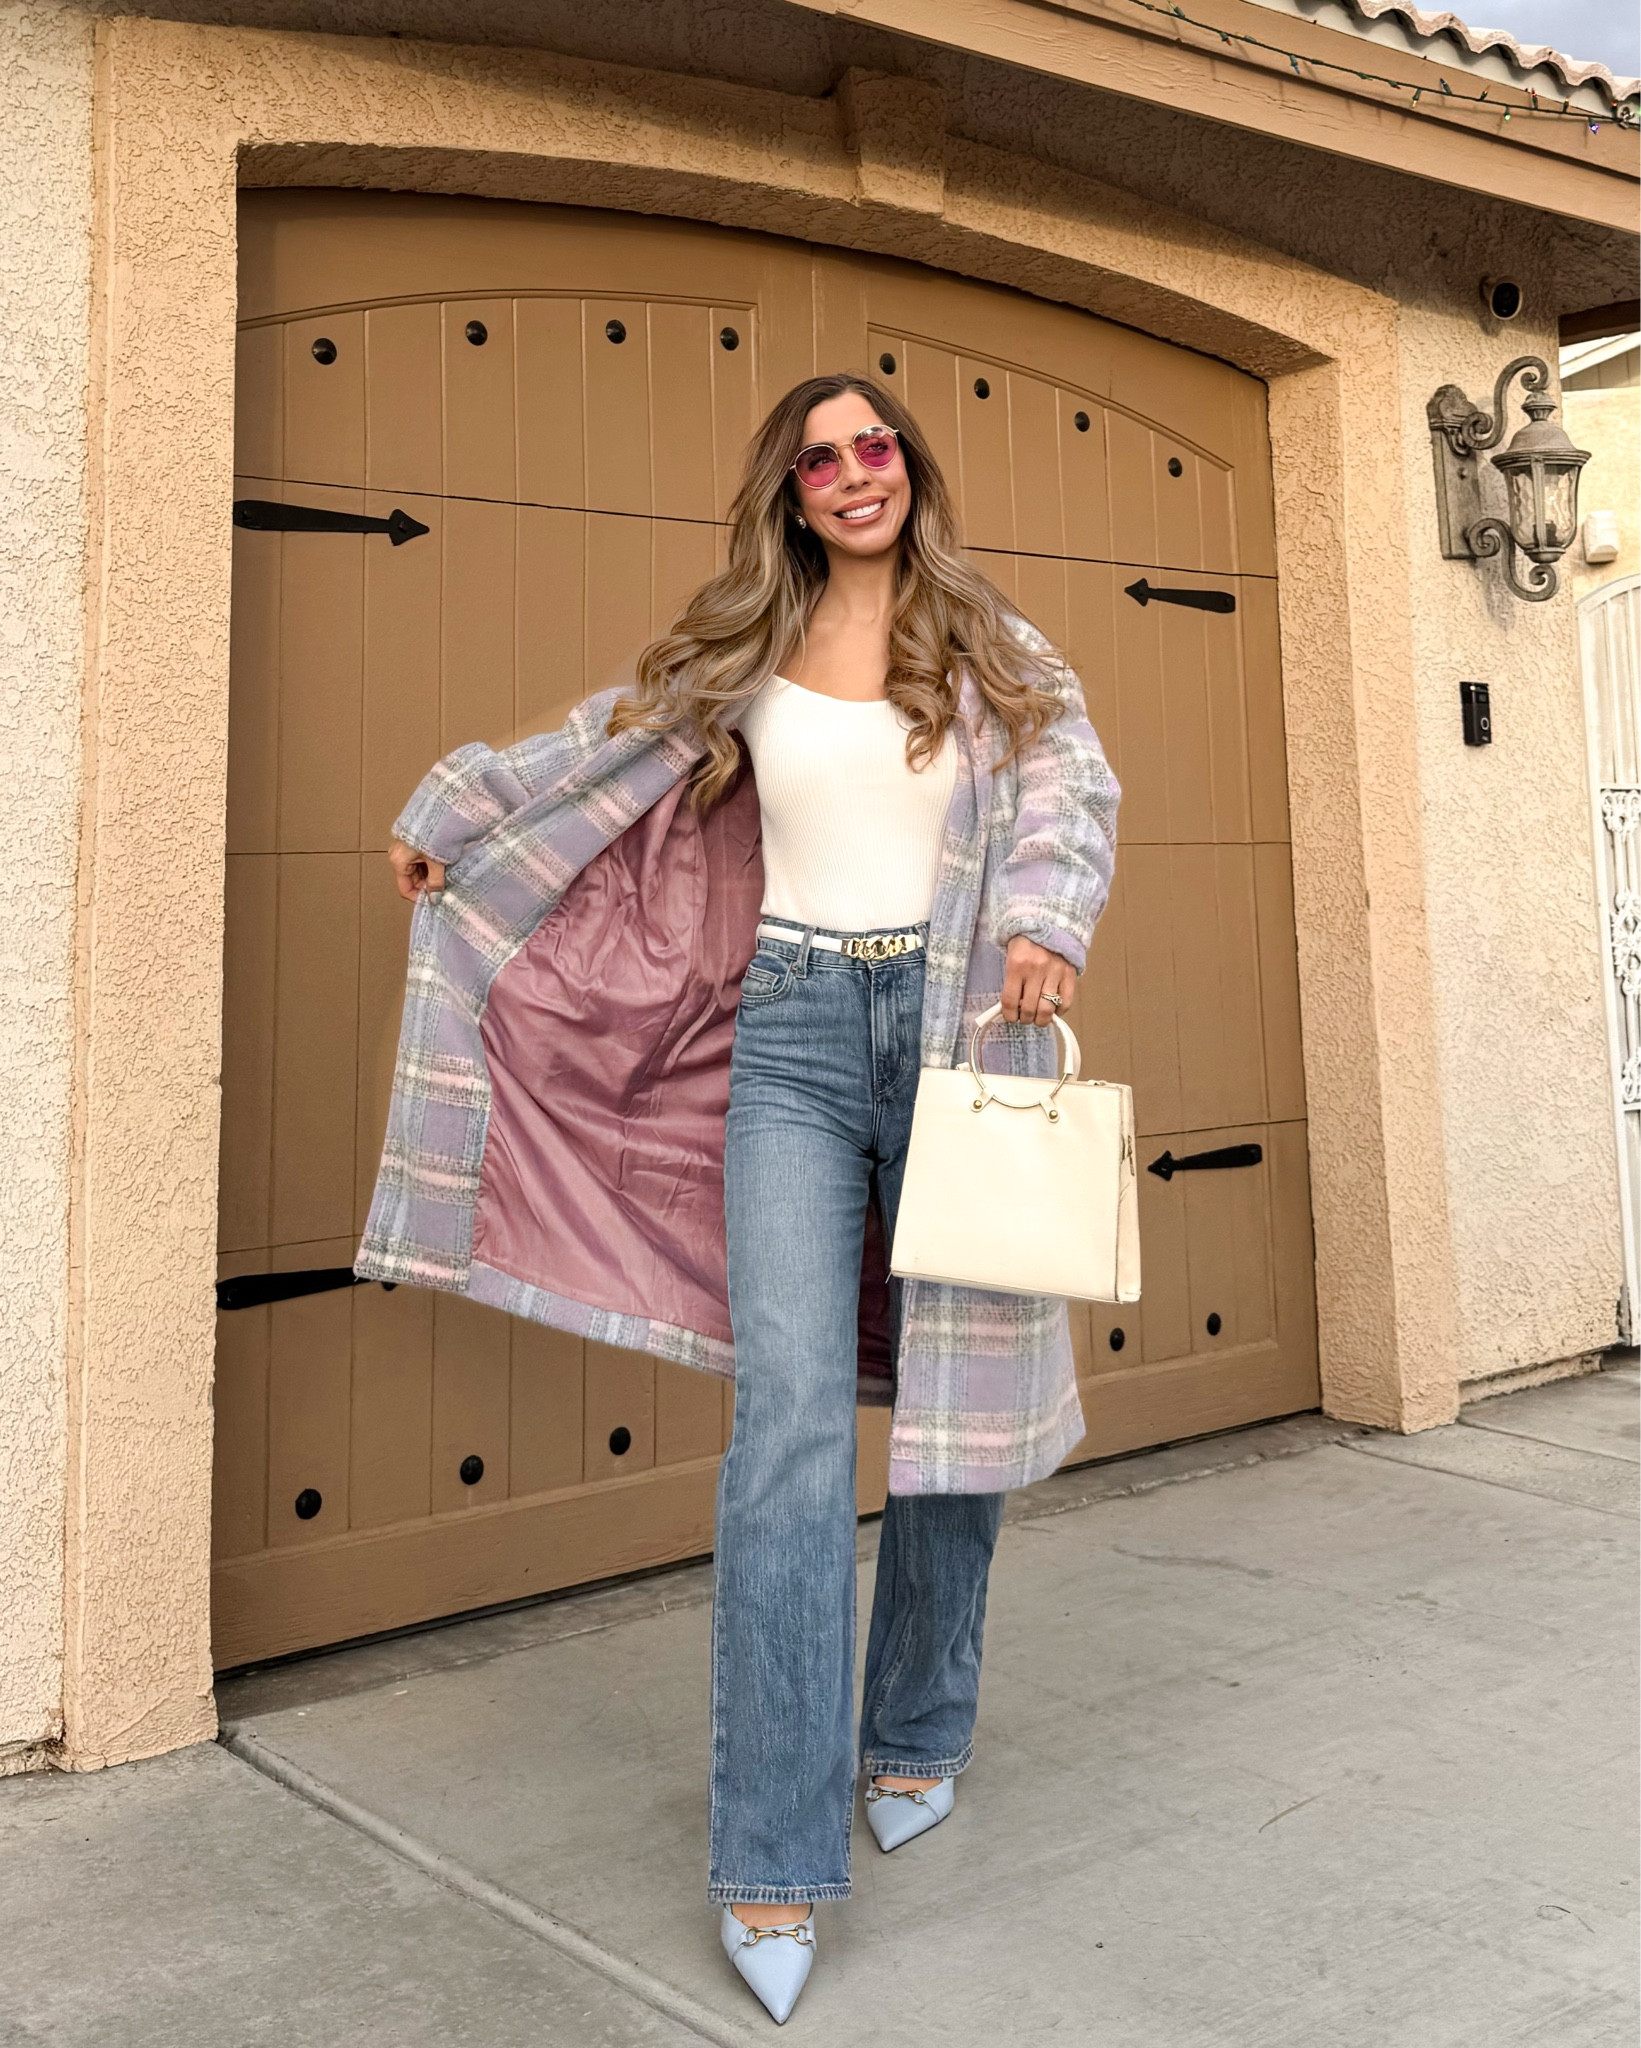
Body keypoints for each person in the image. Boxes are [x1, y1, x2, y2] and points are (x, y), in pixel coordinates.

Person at [368, 372, 1119, 2026]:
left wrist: (1043, 920)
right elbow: (588, 749)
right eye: (820, 458)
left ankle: (913, 1731)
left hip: (953, 1037)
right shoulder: (737, 651)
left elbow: (1073, 793)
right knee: (786, 1424)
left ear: (911, 467)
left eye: (876, 446)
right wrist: (450, 820)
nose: (854, 474)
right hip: (783, 1035)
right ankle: (771, 1849)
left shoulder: (998, 651)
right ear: (789, 495)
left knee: (950, 1412)